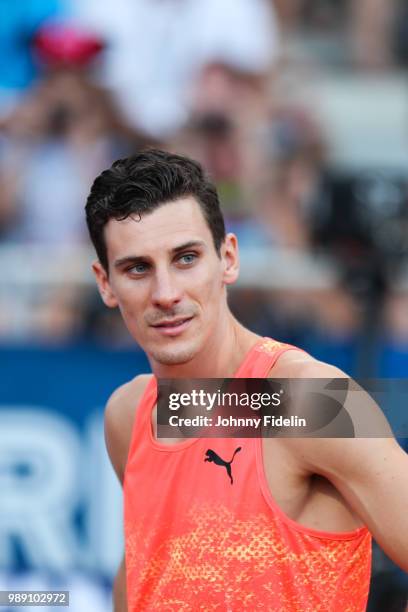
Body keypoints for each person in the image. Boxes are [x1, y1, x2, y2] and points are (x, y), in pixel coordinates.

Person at [85, 149, 408, 611]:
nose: (166, 294)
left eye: (186, 258)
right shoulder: (128, 413)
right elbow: (146, 572)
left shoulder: (308, 400)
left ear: (229, 259)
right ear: (105, 284)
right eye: (137, 268)